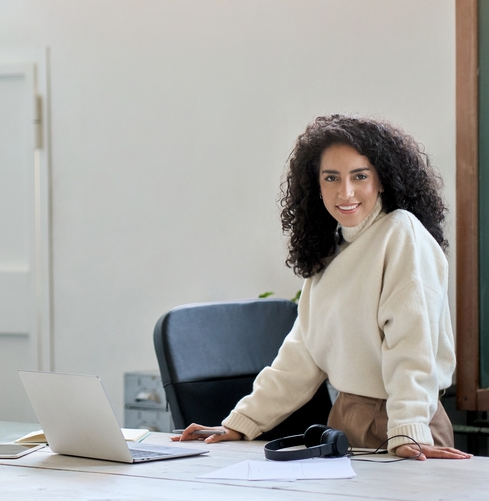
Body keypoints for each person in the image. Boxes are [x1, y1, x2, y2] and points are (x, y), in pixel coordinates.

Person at [174, 114, 471, 460]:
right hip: (344, 419)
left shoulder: (400, 233)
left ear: (383, 180)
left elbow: (412, 345)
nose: (345, 192)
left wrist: (408, 430)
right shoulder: (329, 253)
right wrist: (240, 422)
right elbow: (302, 356)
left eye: (359, 176)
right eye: (332, 178)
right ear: (316, 186)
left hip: (403, 422)